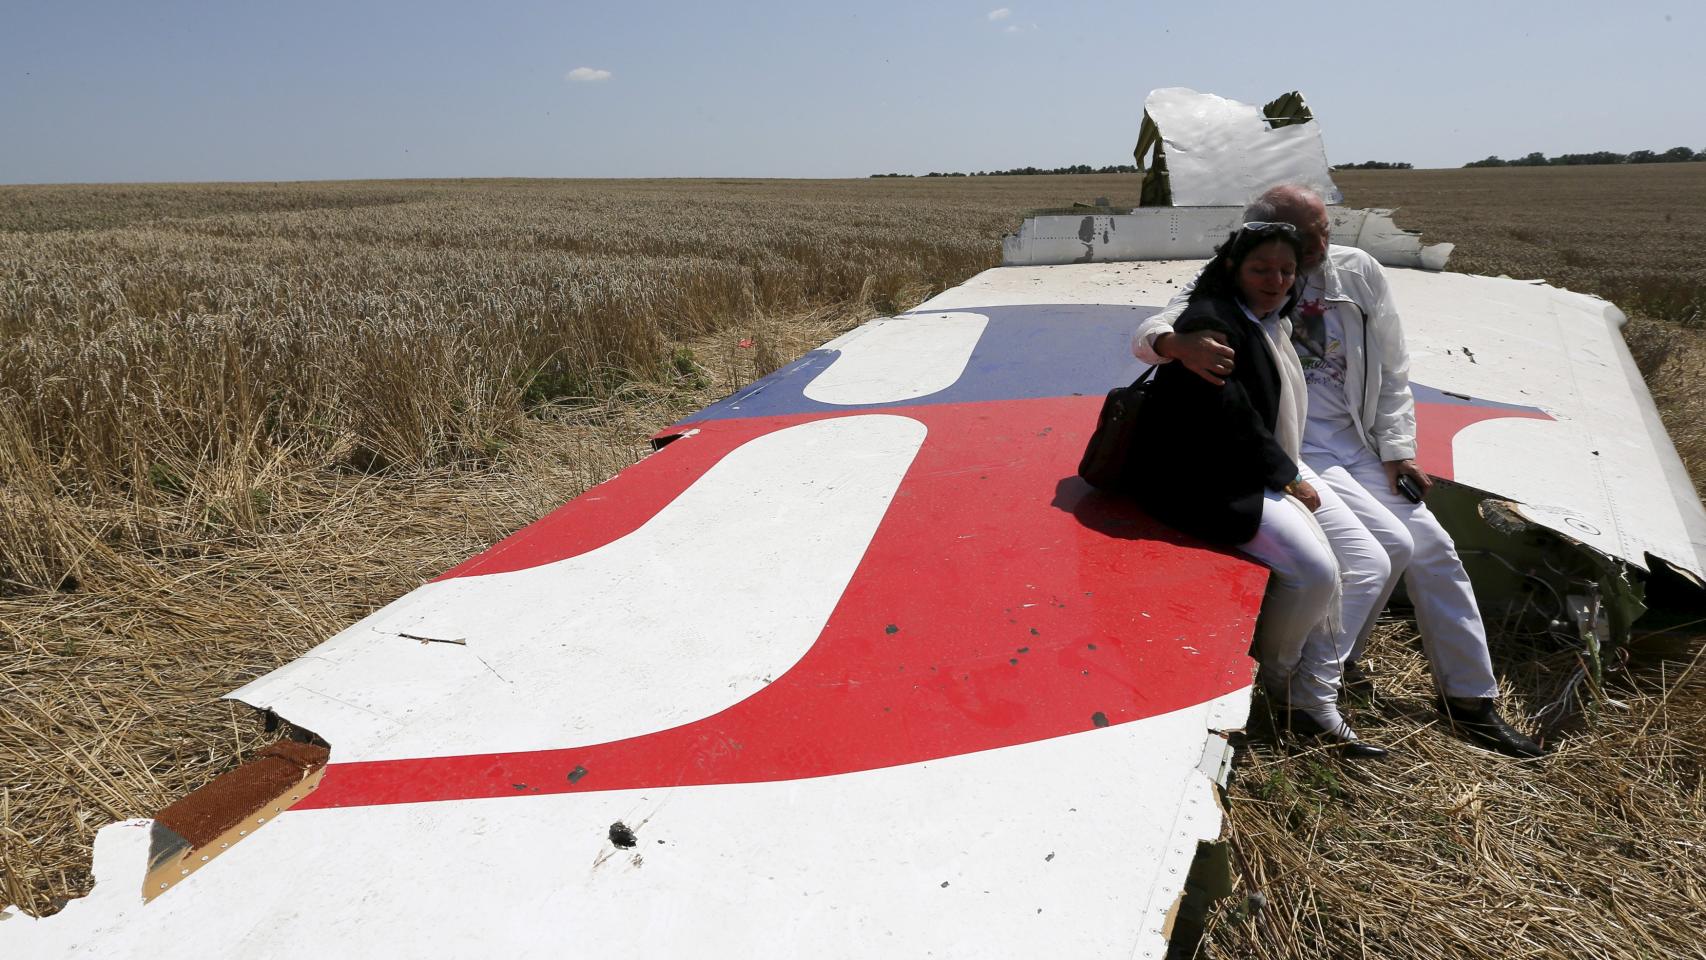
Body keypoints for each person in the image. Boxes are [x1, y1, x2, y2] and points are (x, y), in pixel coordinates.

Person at [1131, 184, 1544, 758]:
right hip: (1296, 445)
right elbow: (1159, 324)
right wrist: (1175, 344)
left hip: (1356, 441)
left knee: (1433, 549)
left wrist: (1398, 448)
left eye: (1325, 230)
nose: (1320, 245)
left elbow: (1393, 365)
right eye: (1307, 235)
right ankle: (1309, 686)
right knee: (1380, 551)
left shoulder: (1358, 271)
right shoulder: (1248, 269)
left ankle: (1469, 699)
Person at [1125, 221, 1387, 759]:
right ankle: (1279, 680)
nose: (1276, 281)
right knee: (1315, 571)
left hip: (1257, 465)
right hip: (1206, 479)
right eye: (1261, 269)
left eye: (1286, 271)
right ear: (1232, 269)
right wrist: (1288, 476)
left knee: (1370, 561)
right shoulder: (1211, 323)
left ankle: (1316, 682)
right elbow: (1232, 414)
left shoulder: (1269, 318)